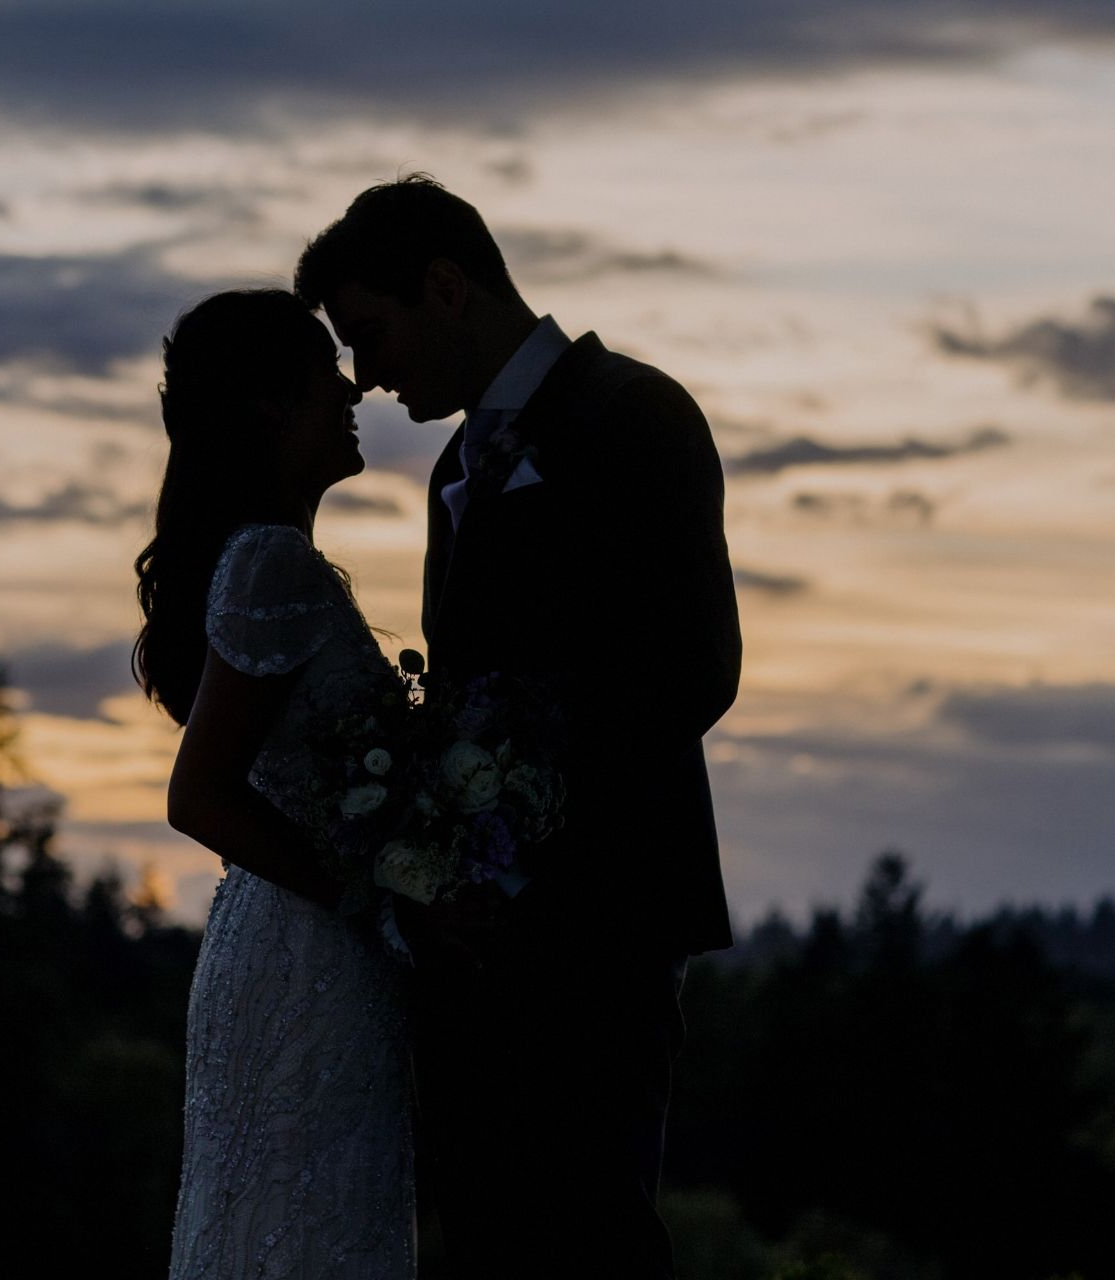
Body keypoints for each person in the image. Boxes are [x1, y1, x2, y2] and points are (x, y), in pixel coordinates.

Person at [296, 175, 741, 1278]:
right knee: (491, 1234)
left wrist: (516, 797)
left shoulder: (636, 412)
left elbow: (697, 670)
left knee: (591, 1232)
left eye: (373, 333)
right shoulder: (455, 468)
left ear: (446, 288)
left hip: (605, 917)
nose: (369, 374)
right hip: (477, 945)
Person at [136, 289, 415, 1278]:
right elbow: (199, 794)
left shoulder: (264, 561)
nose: (349, 386)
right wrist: (373, 892)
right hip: (312, 956)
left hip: (278, 938)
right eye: (318, 369)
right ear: (266, 405)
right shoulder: (271, 563)